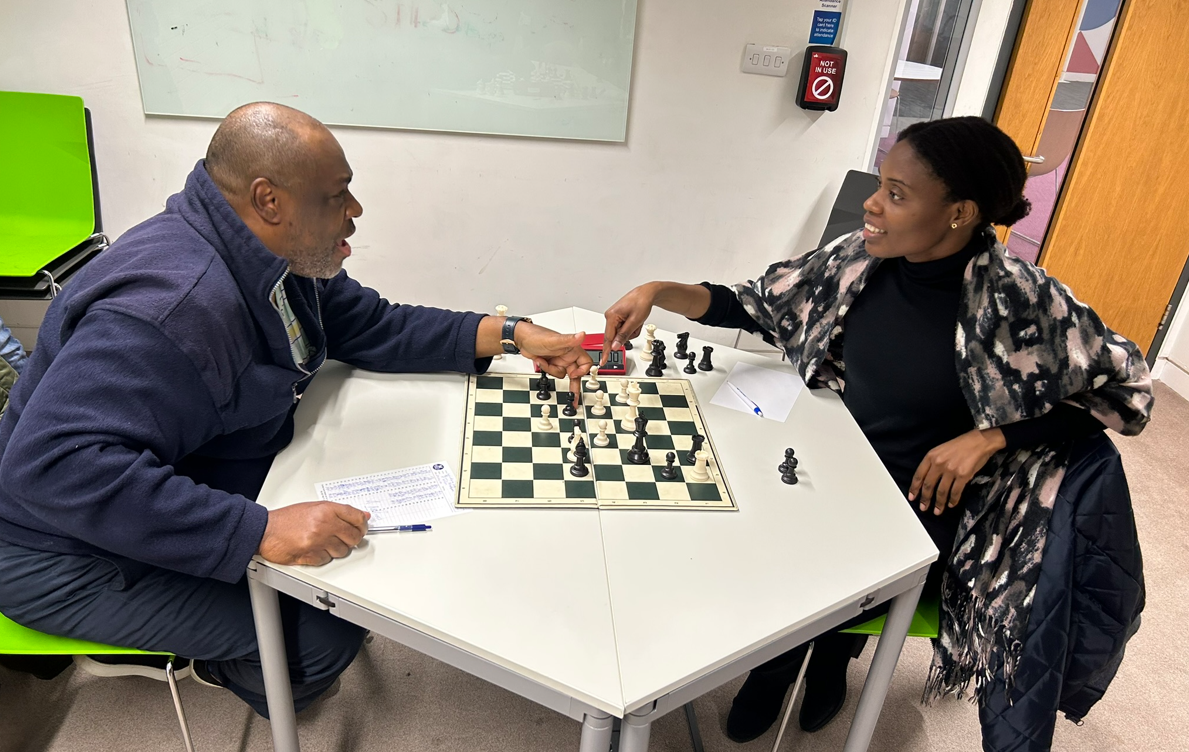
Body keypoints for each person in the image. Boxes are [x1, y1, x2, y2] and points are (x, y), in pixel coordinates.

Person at [0, 102, 592, 717]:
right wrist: (256, 532)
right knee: (323, 630)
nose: (355, 210)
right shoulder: (173, 309)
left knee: (353, 568)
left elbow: (370, 325)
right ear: (269, 200)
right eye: (338, 196)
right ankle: (215, 664)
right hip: (57, 550)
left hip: (169, 482)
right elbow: (51, 467)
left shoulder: (262, 253)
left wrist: (511, 334)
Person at [601, 116, 1153, 741]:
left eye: (896, 193)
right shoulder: (855, 260)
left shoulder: (1022, 299)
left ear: (959, 213)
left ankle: (824, 660)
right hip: (835, 462)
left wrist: (992, 437)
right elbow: (756, 305)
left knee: (811, 565)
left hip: (924, 505)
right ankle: (778, 666)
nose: (870, 203)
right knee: (729, 517)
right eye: (879, 183)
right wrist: (659, 290)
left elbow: (1129, 393)